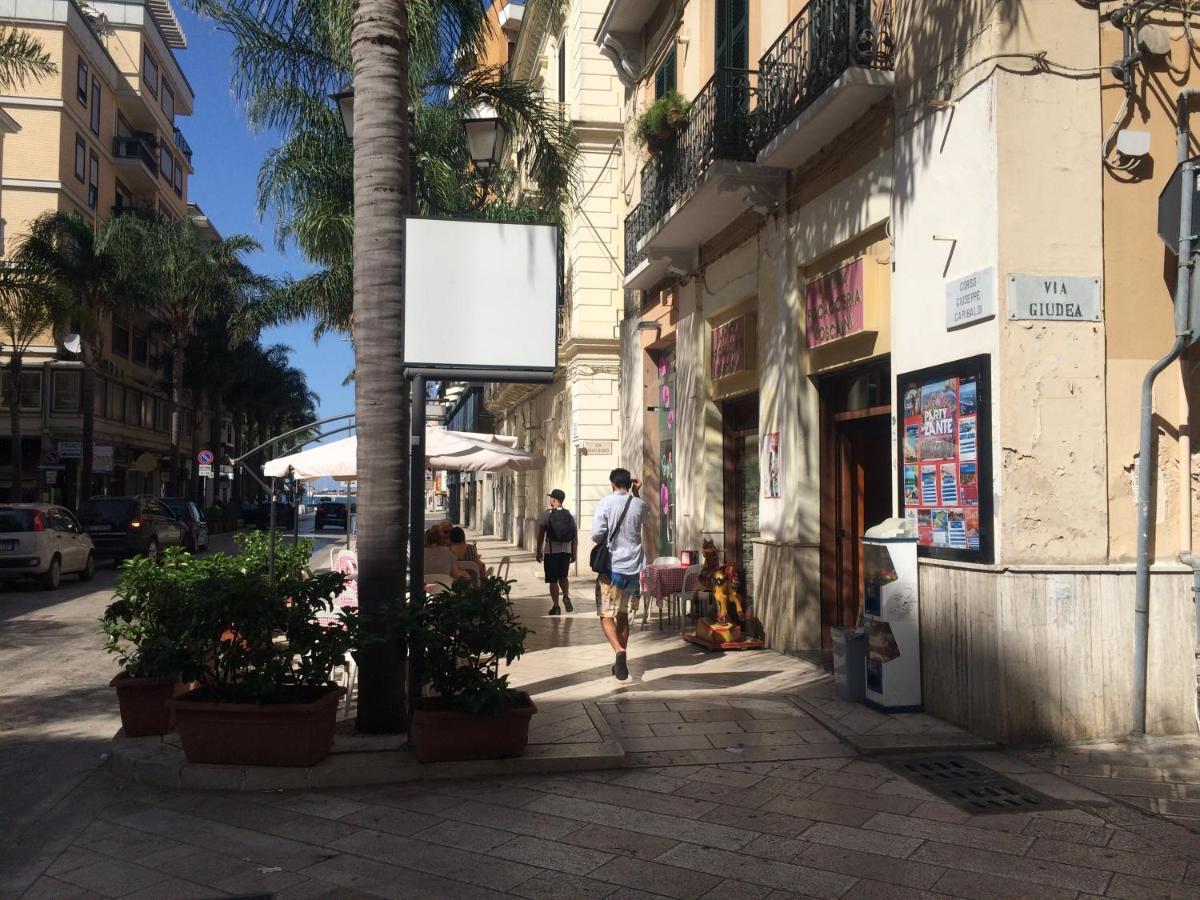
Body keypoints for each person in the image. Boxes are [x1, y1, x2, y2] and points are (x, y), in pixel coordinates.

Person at [591, 467, 646, 680]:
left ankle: (619, 651)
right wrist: (637, 492)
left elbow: (596, 535)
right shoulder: (638, 503)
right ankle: (620, 658)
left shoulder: (605, 503)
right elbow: (643, 518)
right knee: (623, 615)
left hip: (612, 568)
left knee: (606, 615)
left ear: (612, 483)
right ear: (630, 484)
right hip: (634, 568)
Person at [535, 489, 577, 615]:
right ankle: (565, 595)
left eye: (551, 498)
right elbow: (575, 536)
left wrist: (538, 551)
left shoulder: (547, 514)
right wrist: (574, 553)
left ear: (554, 500)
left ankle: (556, 607)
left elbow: (541, 535)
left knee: (553, 580)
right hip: (566, 551)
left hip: (551, 551)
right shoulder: (570, 514)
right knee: (563, 576)